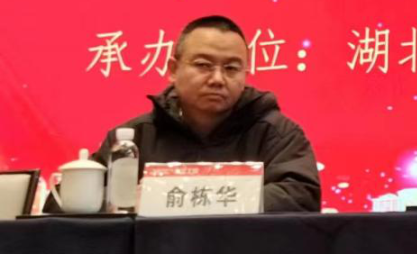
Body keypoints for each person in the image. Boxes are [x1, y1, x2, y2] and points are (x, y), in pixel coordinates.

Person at [91, 15, 320, 212]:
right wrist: (127, 202)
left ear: (245, 74)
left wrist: (165, 199)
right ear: (173, 69)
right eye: (203, 65)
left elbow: (301, 196)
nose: (217, 79)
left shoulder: (277, 134)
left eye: (231, 68)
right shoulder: (133, 139)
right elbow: (79, 204)